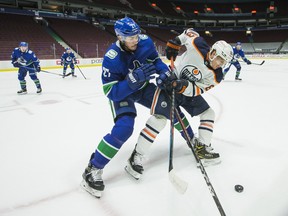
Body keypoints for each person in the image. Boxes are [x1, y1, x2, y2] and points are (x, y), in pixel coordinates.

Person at [81, 17, 174, 198]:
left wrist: (164, 72)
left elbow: (156, 61)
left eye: (136, 35)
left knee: (169, 107)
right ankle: (92, 169)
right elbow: (111, 92)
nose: (135, 40)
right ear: (119, 37)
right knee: (124, 128)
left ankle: (192, 141)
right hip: (123, 93)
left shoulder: (145, 42)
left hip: (143, 88)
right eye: (129, 37)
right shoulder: (111, 57)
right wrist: (131, 81)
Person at [125, 29, 234, 180]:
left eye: (223, 62)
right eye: (220, 60)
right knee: (159, 120)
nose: (220, 64)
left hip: (187, 92)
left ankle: (201, 148)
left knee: (208, 113)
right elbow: (188, 32)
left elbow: (198, 89)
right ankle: (137, 155)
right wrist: (176, 42)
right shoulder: (198, 44)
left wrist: (183, 86)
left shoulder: (217, 75)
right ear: (214, 52)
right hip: (169, 83)